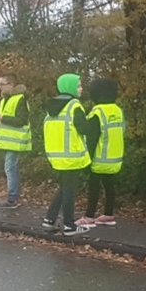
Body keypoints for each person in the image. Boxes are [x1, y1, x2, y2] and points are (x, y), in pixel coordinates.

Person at [41, 73, 92, 235]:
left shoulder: (51, 108)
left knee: (64, 188)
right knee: (69, 190)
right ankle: (69, 225)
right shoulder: (74, 106)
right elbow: (84, 129)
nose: (81, 88)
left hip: (57, 157)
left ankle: (49, 220)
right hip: (72, 157)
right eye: (78, 85)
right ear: (70, 87)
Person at [80, 77, 126, 227]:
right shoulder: (117, 111)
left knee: (94, 186)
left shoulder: (97, 112)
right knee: (109, 186)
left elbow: (92, 138)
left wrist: (87, 159)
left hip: (99, 158)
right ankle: (108, 214)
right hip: (114, 158)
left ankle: (89, 216)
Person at [0, 72, 31, 208]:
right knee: (11, 168)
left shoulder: (20, 99)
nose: (0, 87)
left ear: (11, 85)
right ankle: (14, 196)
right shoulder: (4, 100)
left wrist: (1, 118)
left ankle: (12, 199)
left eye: (2, 84)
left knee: (10, 168)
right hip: (9, 142)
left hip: (16, 141)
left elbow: (21, 120)